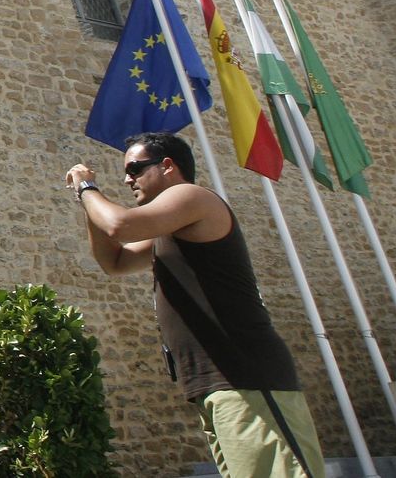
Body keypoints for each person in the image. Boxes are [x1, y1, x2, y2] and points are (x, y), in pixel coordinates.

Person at [67, 131, 326, 478]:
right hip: (215, 385)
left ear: (168, 166)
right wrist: (87, 204)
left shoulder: (193, 198)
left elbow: (120, 225)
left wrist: (88, 189)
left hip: (246, 377)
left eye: (135, 168)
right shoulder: (169, 229)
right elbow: (114, 262)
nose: (128, 179)